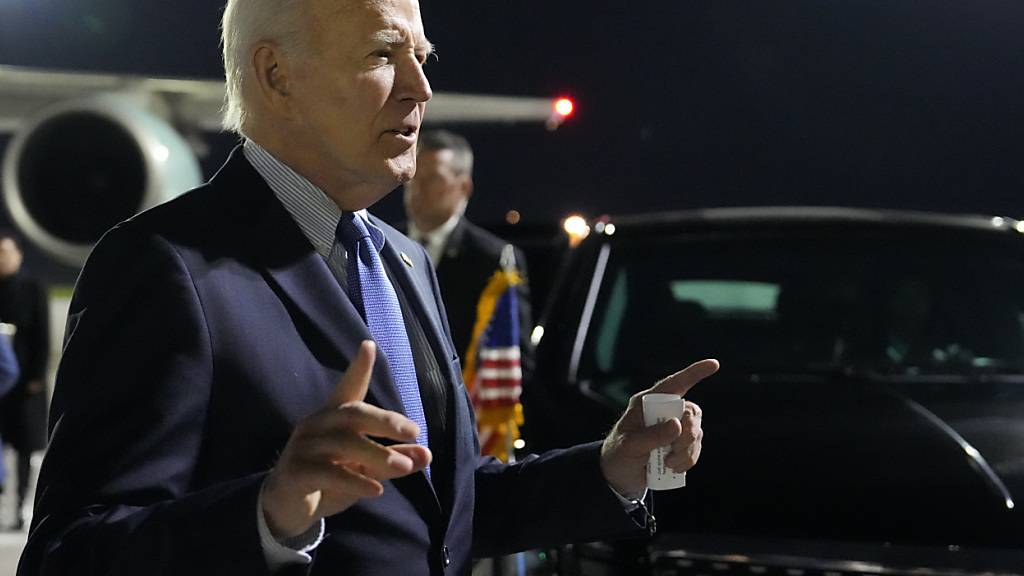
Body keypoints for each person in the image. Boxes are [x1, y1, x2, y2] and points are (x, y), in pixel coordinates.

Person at [18, 0, 715, 574]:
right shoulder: (163, 266)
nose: (421, 87)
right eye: (384, 54)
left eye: (422, 57)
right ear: (276, 75)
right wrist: (270, 514)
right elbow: (67, 554)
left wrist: (610, 470)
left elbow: (442, 509)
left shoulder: (402, 261)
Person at [402, 130, 532, 370]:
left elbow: (513, 359)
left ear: (463, 187)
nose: (416, 188)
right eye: (412, 176)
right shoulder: (381, 241)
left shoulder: (493, 258)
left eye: (432, 179)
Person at [0, 231, 49, 531]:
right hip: (1, 380)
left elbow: (42, 335)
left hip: (26, 383)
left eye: (5, 253)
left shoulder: (32, 288)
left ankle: (20, 505)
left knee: (25, 447)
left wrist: (36, 376)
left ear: (18, 255)